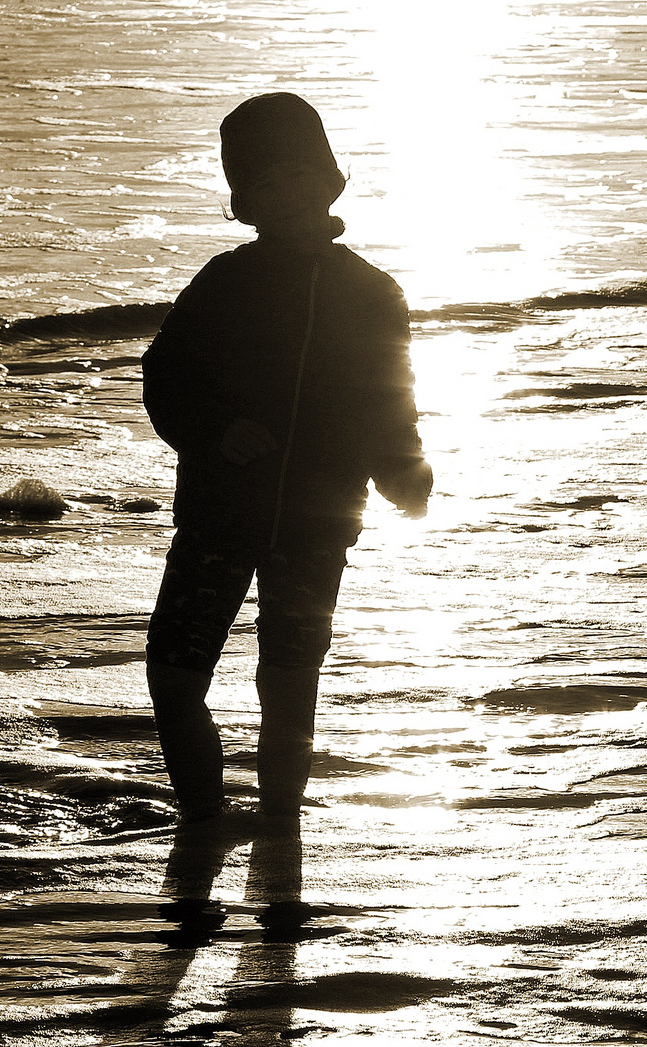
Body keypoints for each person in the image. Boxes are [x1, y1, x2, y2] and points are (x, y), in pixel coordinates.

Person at [142, 92, 431, 823]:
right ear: (245, 204)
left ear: (331, 182)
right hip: (217, 517)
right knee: (174, 677)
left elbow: (387, 398)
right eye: (267, 184)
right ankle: (202, 815)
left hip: (316, 525)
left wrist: (403, 469)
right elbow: (165, 376)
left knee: (290, 681)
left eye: (303, 174)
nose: (289, 194)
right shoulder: (224, 283)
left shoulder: (370, 291)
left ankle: (278, 825)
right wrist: (213, 431)